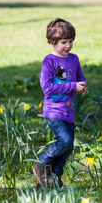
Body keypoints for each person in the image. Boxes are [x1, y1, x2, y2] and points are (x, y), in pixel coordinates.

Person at [33, 18, 87, 188]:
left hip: (69, 111)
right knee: (64, 141)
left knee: (68, 146)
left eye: (71, 41)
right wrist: (72, 86)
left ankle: (54, 178)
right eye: (64, 42)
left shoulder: (74, 59)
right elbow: (47, 87)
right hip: (54, 110)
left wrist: (82, 83)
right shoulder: (49, 61)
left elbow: (78, 75)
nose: (68, 45)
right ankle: (42, 164)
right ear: (51, 42)